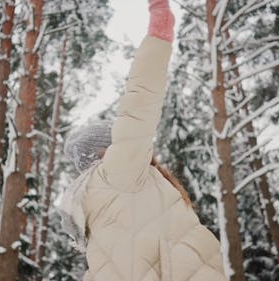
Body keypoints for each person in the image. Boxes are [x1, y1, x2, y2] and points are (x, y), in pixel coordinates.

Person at [60, 0, 227, 280]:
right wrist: (159, 26)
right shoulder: (118, 173)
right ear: (106, 150)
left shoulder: (103, 200)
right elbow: (140, 100)